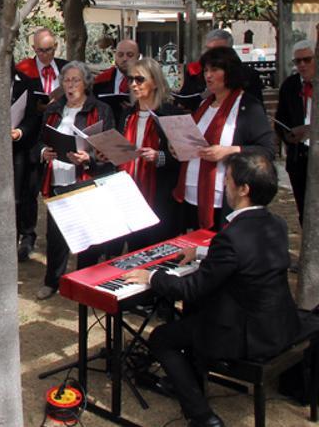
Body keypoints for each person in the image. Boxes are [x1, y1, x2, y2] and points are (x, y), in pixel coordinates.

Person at [124, 151, 300, 427]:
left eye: (227, 180)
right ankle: (190, 381)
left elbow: (191, 289)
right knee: (193, 321)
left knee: (161, 337)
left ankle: (202, 416)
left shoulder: (231, 237)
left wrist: (152, 277)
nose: (223, 185)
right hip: (277, 323)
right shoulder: (275, 224)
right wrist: (204, 251)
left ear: (244, 189)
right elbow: (246, 256)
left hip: (244, 335)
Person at [36, 61, 116, 300]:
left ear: (86, 83)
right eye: (66, 81)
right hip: (57, 177)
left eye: (75, 80)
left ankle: (85, 281)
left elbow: (110, 151)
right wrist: (43, 152)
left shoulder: (101, 110)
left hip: (85, 179)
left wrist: (88, 157)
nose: (70, 86)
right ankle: (52, 281)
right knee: (55, 235)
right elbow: (39, 141)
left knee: (85, 234)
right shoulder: (53, 110)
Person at [172, 46, 274, 232]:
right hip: (192, 192)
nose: (208, 76)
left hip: (222, 197)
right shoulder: (204, 104)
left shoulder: (247, 106)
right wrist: (179, 147)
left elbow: (267, 150)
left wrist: (228, 151)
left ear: (230, 72)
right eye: (205, 71)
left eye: (215, 70)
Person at [11, 28, 69, 260]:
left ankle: (61, 238)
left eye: (50, 50)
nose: (45, 55)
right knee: (28, 188)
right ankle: (27, 234)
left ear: (56, 47)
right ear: (33, 49)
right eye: (40, 50)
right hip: (31, 137)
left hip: (60, 132)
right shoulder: (23, 70)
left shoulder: (65, 68)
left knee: (60, 187)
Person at [117, 58, 183, 249]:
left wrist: (159, 156)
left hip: (160, 194)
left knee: (158, 249)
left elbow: (184, 156)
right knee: (134, 249)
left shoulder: (170, 114)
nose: (134, 85)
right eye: (130, 80)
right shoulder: (129, 114)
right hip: (130, 193)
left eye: (140, 79)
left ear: (155, 82)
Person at [275, 39, 314, 224]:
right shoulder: (290, 86)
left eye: (307, 59)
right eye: (298, 61)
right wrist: (288, 136)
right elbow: (280, 118)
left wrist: (312, 130)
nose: (302, 65)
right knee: (305, 212)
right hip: (299, 157)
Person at [178, 29, 264, 106]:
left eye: (217, 51)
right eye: (208, 50)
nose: (211, 55)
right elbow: (186, 99)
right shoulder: (195, 70)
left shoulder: (247, 75)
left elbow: (255, 106)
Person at [93, 39, 140, 126]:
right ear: (115, 56)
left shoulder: (146, 81)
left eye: (130, 55)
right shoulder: (100, 81)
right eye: (120, 55)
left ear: (138, 57)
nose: (125, 59)